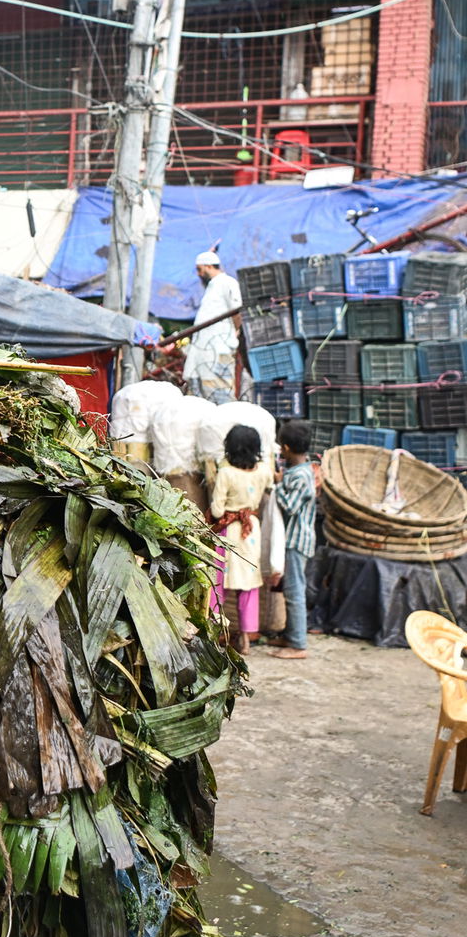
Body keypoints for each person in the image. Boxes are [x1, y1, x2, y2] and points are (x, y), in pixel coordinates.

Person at [209, 421, 272, 653]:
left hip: (229, 532)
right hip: (251, 531)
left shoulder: (225, 473)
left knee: (218, 583)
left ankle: (215, 633)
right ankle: (245, 638)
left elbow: (216, 510)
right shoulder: (264, 471)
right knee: (249, 585)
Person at [268, 418, 316, 660]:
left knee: (295, 591)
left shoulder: (301, 476)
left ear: (285, 448)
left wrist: (277, 486)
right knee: (290, 589)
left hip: (297, 542)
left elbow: (290, 506)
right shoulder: (298, 471)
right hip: (293, 541)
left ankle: (298, 644)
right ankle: (290, 634)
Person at [184, 249, 243, 403]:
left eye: (199, 269)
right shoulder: (212, 287)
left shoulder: (227, 282)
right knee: (199, 396)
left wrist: (236, 331)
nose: (198, 274)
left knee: (219, 394)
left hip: (218, 348)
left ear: (209, 266)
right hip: (202, 351)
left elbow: (237, 311)